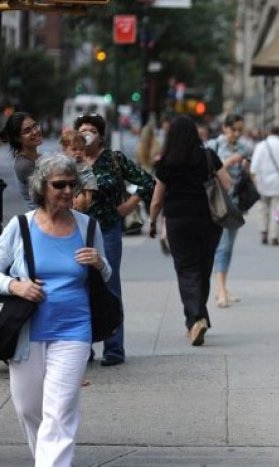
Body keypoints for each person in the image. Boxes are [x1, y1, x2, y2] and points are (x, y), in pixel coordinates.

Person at [0, 155, 111, 466]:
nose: (66, 191)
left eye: (71, 185)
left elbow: (108, 274)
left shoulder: (88, 226)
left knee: (60, 411)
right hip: (27, 331)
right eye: (59, 184)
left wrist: (99, 263)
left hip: (74, 330)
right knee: (29, 408)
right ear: (41, 187)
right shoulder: (20, 227)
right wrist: (15, 286)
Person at [74, 114, 155, 366]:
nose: (86, 133)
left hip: (107, 229)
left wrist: (129, 205)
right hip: (77, 232)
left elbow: (147, 182)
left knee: (110, 284)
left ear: (100, 136)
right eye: (82, 130)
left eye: (91, 130)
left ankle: (114, 348)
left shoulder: (114, 159)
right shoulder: (71, 162)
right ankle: (82, 347)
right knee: (79, 287)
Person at [149, 116, 231, 346]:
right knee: (203, 269)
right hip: (208, 220)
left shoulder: (166, 162)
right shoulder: (207, 156)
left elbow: (157, 199)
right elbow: (227, 183)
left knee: (186, 271)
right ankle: (195, 320)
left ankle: (196, 318)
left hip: (178, 221)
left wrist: (153, 222)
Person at [205, 113, 251, 307]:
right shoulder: (213, 146)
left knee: (228, 246)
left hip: (235, 204)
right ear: (225, 128)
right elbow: (207, 170)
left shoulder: (244, 148)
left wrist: (246, 167)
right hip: (217, 203)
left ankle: (221, 286)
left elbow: (245, 176)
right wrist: (230, 161)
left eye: (240, 130)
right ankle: (221, 289)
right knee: (222, 246)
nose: (237, 134)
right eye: (234, 130)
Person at [0, 112, 43, 209]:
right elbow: (48, 195)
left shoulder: (38, 157)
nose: (35, 131)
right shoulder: (24, 165)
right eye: (27, 131)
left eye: (35, 126)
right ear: (18, 138)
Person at [58, 130, 98, 213]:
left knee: (80, 200)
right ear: (64, 150)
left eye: (82, 149)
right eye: (74, 149)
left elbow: (89, 181)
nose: (78, 152)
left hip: (78, 198)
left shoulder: (84, 166)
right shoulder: (60, 164)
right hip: (63, 198)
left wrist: (88, 199)